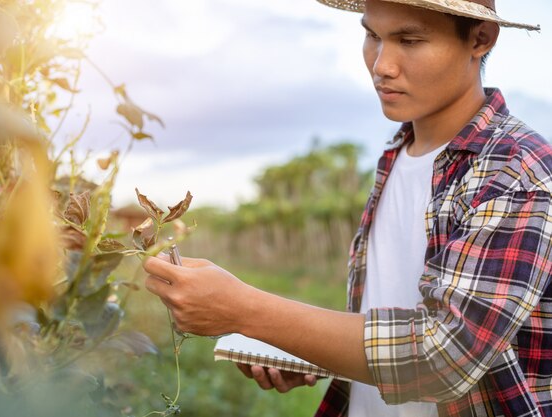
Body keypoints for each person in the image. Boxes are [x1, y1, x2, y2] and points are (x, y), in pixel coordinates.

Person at [144, 0, 552, 415]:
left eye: (409, 40)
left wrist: (246, 311)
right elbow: (391, 312)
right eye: (373, 36)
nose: (382, 65)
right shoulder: (398, 152)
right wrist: (300, 348)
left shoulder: (516, 170)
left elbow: (444, 356)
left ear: (480, 38)